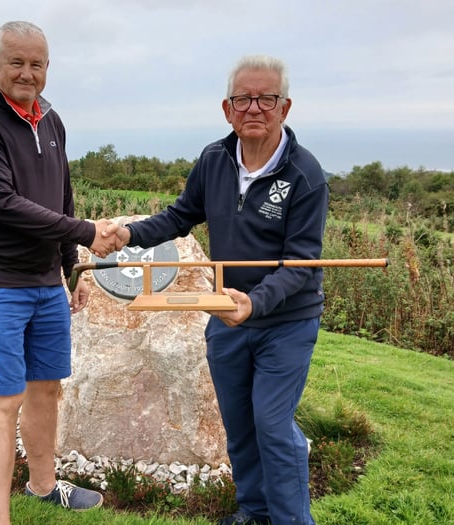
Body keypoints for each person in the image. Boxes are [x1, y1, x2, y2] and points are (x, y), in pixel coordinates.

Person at [106, 55, 328, 525]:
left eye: (265, 98)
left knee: (272, 424)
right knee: (240, 425)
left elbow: (303, 263)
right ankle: (253, 510)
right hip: (224, 316)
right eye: (243, 98)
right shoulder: (213, 159)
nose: (254, 108)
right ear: (227, 109)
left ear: (284, 107)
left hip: (285, 322)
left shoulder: (305, 175)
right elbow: (179, 216)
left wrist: (257, 302)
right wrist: (129, 235)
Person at [0, 21, 116, 525]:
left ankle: (43, 487)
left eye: (36, 64)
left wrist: (71, 268)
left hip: (46, 282)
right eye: (16, 62)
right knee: (3, 399)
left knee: (46, 387)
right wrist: (87, 232)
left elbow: (59, 196)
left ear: (48, 67)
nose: (27, 73)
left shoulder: (51, 120)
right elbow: (2, 204)